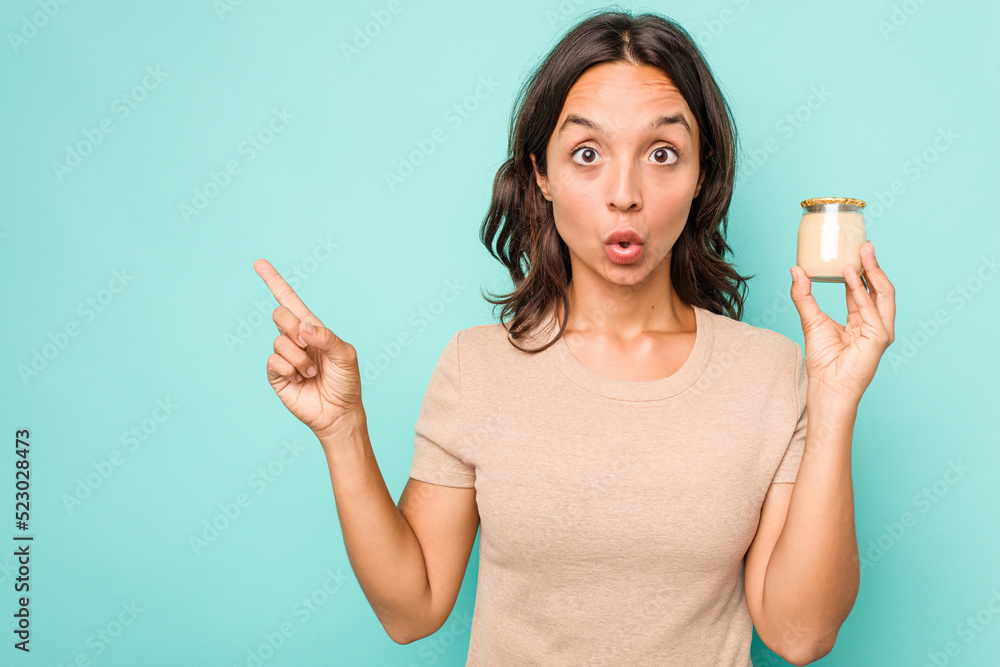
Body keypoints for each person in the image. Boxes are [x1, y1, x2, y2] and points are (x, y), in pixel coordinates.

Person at [254, 9, 895, 666]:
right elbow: (411, 609)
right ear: (541, 175)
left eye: (663, 153)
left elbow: (800, 633)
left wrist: (835, 403)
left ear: (703, 172)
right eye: (587, 153)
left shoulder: (771, 371)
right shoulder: (476, 366)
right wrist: (343, 430)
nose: (625, 194)